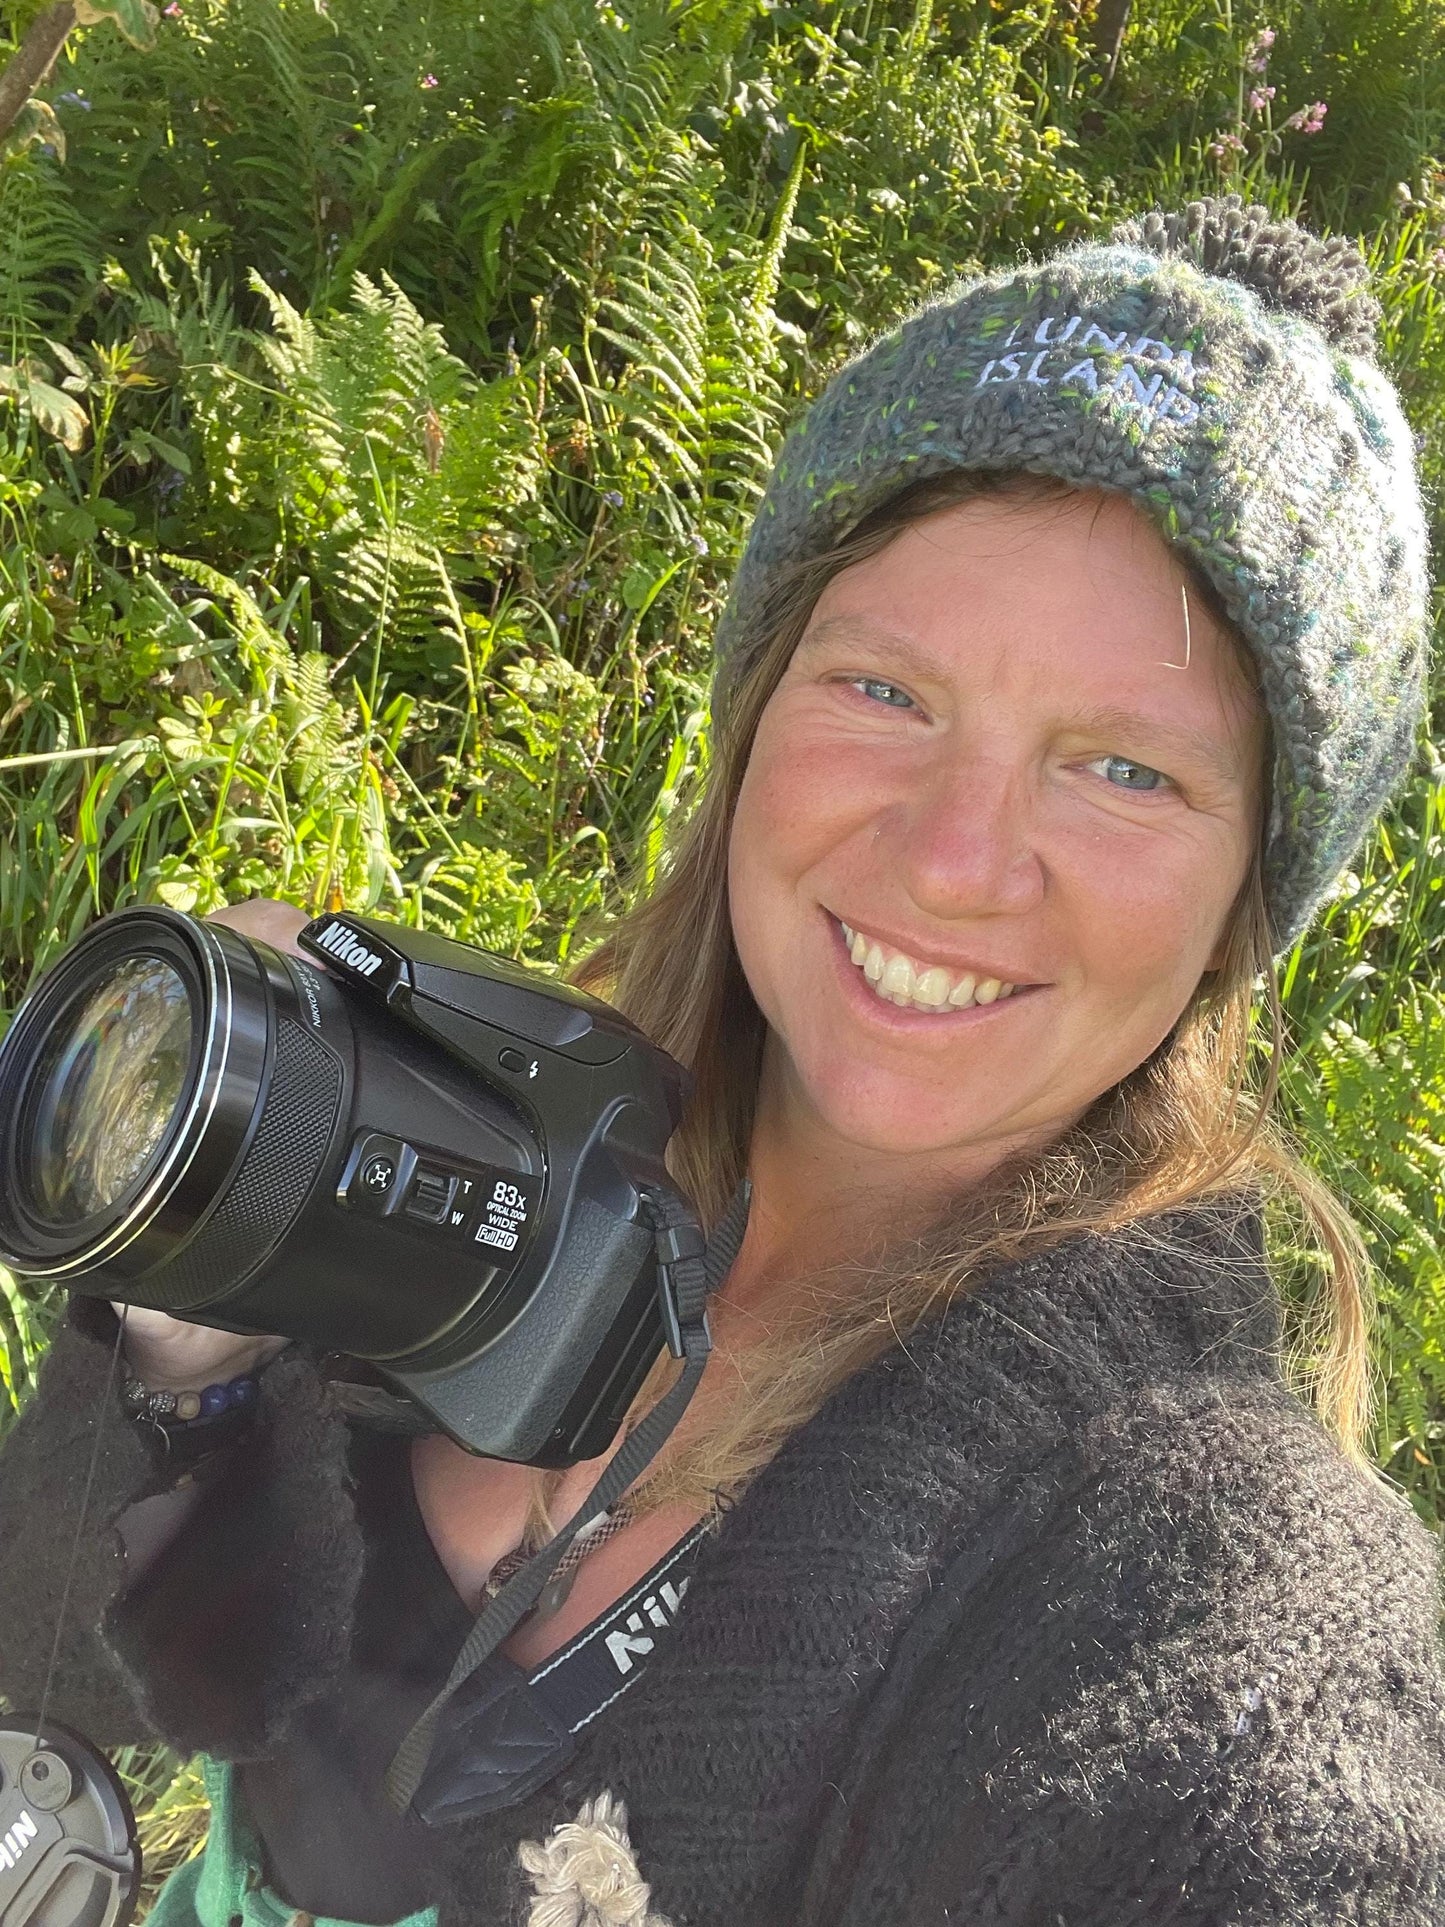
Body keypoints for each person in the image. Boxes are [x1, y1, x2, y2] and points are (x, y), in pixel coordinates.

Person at [2, 193, 1443, 1927]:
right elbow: (83, 1676)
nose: (952, 862)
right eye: (885, 692)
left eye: (1125, 770)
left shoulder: (1214, 1627)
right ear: (753, 708)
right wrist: (192, 1344)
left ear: (1246, 898)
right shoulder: (493, 1146)